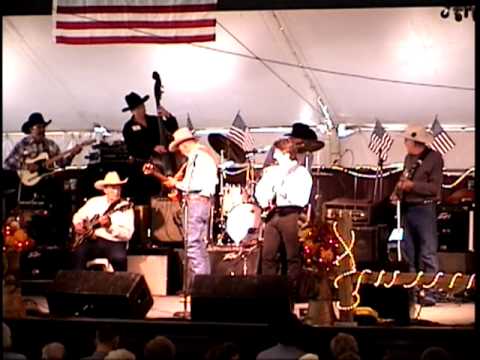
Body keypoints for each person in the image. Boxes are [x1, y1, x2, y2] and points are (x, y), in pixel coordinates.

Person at [143, 128, 218, 290]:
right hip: (202, 203)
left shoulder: (198, 158)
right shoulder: (203, 157)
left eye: (180, 148)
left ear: (184, 145)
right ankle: (204, 287)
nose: (180, 152)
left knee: (193, 246)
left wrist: (177, 184)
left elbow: (193, 185)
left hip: (196, 202)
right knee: (199, 247)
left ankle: (200, 289)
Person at [390, 125, 443, 307]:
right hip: (408, 209)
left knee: (428, 252)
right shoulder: (408, 159)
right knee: (408, 253)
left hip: (425, 210)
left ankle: (431, 292)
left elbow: (434, 189)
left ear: (415, 142)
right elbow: (404, 179)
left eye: (407, 140)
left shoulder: (434, 158)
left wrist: (413, 186)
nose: (404, 143)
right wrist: (396, 192)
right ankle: (411, 293)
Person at [255, 138, 312, 296]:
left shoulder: (301, 173)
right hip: (273, 214)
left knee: (292, 255)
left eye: (277, 152)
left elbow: (302, 197)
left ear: (286, 153)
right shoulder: (272, 172)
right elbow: (260, 191)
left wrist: (282, 191)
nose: (274, 156)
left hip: (291, 214)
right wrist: (265, 197)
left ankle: (292, 292)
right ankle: (269, 291)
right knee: (268, 255)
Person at [122, 91, 179, 203]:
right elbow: (132, 148)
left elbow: (173, 128)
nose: (141, 110)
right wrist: (152, 148)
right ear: (132, 111)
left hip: (164, 158)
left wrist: (167, 115)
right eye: (137, 109)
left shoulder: (154, 120)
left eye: (142, 107)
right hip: (144, 166)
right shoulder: (128, 128)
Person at [72, 171, 134, 271]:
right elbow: (78, 215)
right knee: (78, 253)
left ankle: (120, 285)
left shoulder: (126, 207)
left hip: (114, 242)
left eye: (118, 188)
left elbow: (128, 234)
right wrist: (78, 224)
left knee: (119, 259)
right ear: (105, 189)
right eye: (113, 188)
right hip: (93, 241)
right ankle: (78, 285)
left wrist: (110, 226)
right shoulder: (94, 202)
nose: (117, 191)